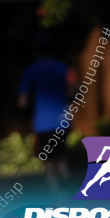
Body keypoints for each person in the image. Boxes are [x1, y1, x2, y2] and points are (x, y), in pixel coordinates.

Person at [18, 31, 76, 190]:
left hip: (43, 122)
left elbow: (22, 101)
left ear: (35, 50)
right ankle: (69, 192)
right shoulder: (64, 68)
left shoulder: (30, 71)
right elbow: (75, 90)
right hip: (63, 120)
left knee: (49, 161)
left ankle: (56, 195)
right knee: (62, 157)